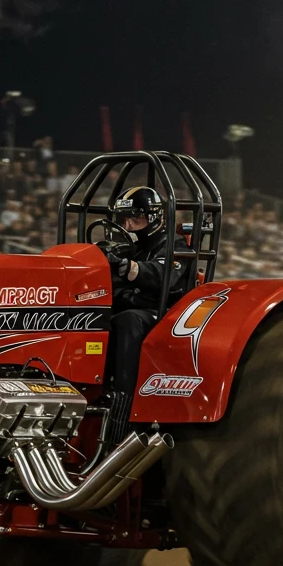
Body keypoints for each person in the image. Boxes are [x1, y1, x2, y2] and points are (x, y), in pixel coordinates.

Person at [99, 185, 191, 446]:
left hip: (163, 313)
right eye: (124, 219)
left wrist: (129, 267)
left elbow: (165, 276)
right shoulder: (127, 246)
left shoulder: (174, 245)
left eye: (135, 219)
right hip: (131, 305)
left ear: (154, 218)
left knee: (128, 321)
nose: (128, 226)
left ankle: (124, 408)